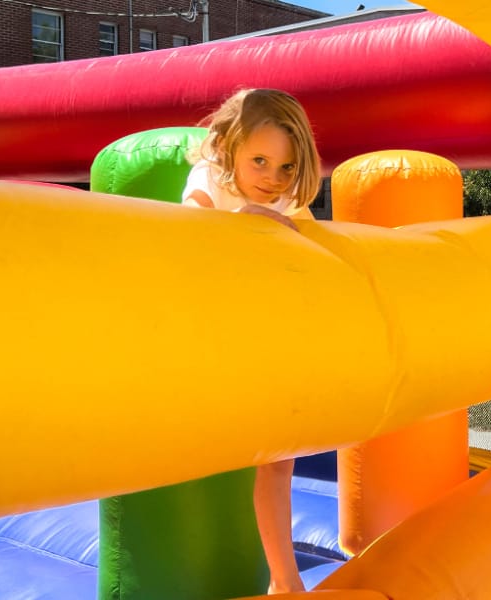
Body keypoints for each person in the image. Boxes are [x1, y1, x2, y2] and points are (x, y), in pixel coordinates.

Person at [182, 87, 322, 595]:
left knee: (279, 461)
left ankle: (285, 581)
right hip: (212, 336)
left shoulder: (285, 199)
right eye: (259, 161)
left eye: (287, 168)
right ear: (226, 147)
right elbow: (190, 224)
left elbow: (311, 247)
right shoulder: (210, 181)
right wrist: (244, 224)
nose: (272, 178)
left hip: (263, 339)